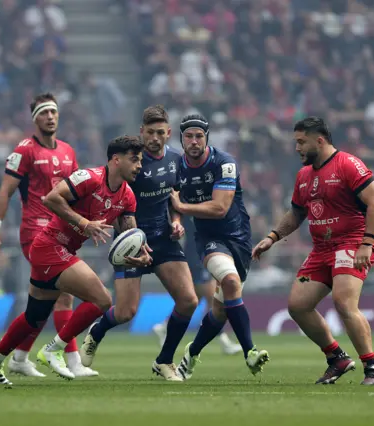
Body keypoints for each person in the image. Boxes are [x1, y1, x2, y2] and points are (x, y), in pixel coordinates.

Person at [0, 135, 152, 384]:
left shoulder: (127, 197)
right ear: (115, 160)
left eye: (140, 161)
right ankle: (53, 349)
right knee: (102, 299)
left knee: (34, 316)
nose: (139, 166)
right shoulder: (89, 178)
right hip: (49, 246)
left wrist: (139, 254)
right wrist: (83, 223)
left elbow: (129, 235)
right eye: (134, 160)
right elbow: (50, 198)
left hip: (62, 251)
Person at [252, 117, 374, 386]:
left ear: (320, 140)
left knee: (343, 302)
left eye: (301, 142)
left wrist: (367, 242)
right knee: (298, 305)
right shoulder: (303, 175)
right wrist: (273, 236)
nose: (297, 148)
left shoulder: (347, 164)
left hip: (351, 242)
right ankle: (336, 358)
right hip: (322, 248)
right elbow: (296, 213)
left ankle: (372, 369)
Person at [77, 105, 199, 381]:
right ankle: (95, 333)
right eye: (150, 132)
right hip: (130, 239)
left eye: (161, 133)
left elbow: (174, 199)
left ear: (168, 133)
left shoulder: (176, 160)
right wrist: (131, 239)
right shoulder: (131, 162)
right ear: (141, 132)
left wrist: (176, 221)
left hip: (163, 240)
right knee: (125, 312)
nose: (155, 138)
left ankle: (164, 361)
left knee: (189, 301)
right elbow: (115, 205)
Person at [0, 93, 96, 377]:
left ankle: (17, 357)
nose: (50, 117)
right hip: (35, 231)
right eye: (44, 113)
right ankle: (71, 360)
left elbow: (75, 194)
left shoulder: (69, 152)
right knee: (63, 295)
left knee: (43, 302)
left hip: (62, 232)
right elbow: (5, 191)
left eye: (53, 112)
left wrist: (84, 223)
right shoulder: (25, 150)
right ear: (35, 119)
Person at [170, 114, 269, 380]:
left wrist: (182, 208)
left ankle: (191, 353)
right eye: (188, 136)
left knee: (220, 311)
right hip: (208, 240)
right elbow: (172, 201)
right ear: (181, 139)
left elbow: (220, 207)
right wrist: (177, 220)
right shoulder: (176, 168)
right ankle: (250, 352)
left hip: (238, 239)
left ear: (207, 138)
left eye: (198, 136)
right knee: (230, 281)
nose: (193, 141)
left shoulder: (224, 163)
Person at [152, 215, 242, 356]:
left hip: (203, 251)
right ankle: (224, 342)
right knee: (214, 299)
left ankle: (164, 326)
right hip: (196, 255)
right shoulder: (192, 203)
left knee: (196, 298)